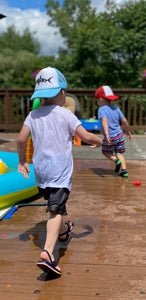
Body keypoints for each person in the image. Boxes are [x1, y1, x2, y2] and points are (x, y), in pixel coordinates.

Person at [17, 66, 102, 276]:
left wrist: (21, 161)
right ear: (62, 92)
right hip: (59, 173)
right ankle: (47, 252)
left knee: (58, 207)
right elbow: (86, 136)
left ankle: (65, 233)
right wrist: (101, 142)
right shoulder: (66, 115)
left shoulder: (33, 115)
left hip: (41, 173)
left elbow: (20, 139)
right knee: (55, 211)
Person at [95, 85, 132, 177]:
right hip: (120, 135)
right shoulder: (116, 108)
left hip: (111, 136)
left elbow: (104, 121)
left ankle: (116, 161)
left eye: (97, 100)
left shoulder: (101, 109)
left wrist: (106, 134)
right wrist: (128, 131)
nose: (97, 103)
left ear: (101, 99)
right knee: (119, 153)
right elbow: (124, 121)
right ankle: (124, 171)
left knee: (106, 152)